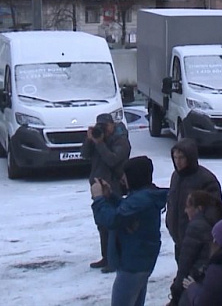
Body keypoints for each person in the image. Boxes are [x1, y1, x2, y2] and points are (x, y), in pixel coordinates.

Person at [91, 156, 168, 306]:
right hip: (141, 261)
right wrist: (111, 196)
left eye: (125, 174)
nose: (122, 179)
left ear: (134, 176)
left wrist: (99, 198)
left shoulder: (141, 199)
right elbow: (126, 209)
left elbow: (112, 219)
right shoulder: (145, 195)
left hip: (133, 264)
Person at [83, 113, 132, 273]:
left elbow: (112, 159)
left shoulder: (121, 140)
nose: (103, 129)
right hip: (97, 185)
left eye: (105, 125)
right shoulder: (98, 139)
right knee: (102, 224)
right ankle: (106, 257)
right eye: (100, 125)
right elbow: (84, 154)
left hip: (114, 187)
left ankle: (114, 259)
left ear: (112, 125)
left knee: (113, 224)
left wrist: (100, 143)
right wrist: (90, 140)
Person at [167, 140, 222, 267]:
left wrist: (199, 229)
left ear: (190, 158)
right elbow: (172, 202)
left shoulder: (206, 179)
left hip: (199, 242)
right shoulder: (176, 177)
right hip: (180, 240)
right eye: (175, 157)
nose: (178, 161)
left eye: (181, 157)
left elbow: (214, 211)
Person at [168, 190, 222, 306]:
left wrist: (175, 294)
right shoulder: (218, 220)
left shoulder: (196, 226)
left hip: (194, 283)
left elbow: (185, 264)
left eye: (188, 206)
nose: (185, 210)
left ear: (199, 209)